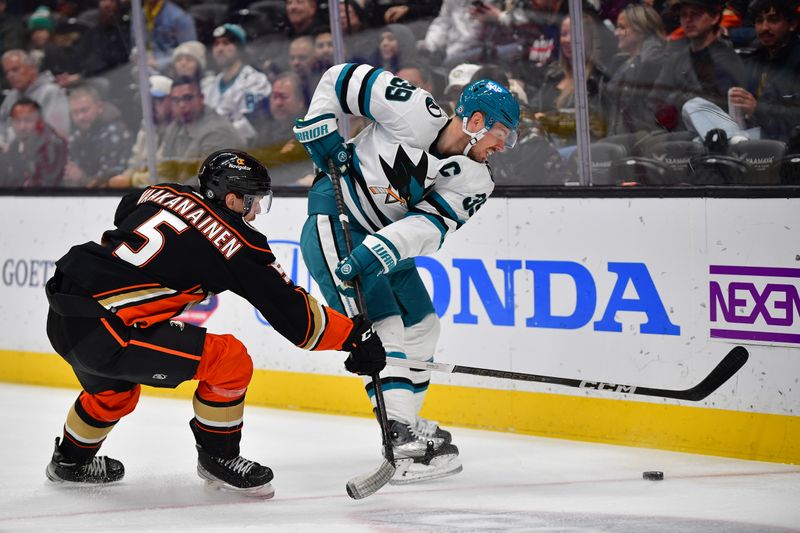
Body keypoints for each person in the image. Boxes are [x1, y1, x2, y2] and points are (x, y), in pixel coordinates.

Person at [44, 149, 386, 496]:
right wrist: (354, 337)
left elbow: (128, 207)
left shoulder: (163, 191)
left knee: (113, 392)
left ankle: (70, 462)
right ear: (233, 199)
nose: (256, 212)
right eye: (254, 201)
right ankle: (218, 457)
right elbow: (299, 320)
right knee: (229, 360)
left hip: (63, 310)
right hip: (107, 331)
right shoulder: (236, 245)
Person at [293, 63, 520, 484]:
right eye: (500, 135)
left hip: (382, 243)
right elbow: (341, 78)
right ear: (475, 122)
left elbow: (431, 226)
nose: (502, 147)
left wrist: (379, 250)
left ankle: (404, 424)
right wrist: (320, 124)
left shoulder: (477, 182)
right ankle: (398, 439)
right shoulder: (413, 109)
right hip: (334, 222)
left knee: (424, 325)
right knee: (385, 327)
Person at [647, 0, 746, 133]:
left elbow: (714, 108)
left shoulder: (726, 59)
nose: (688, 20)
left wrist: (673, 101)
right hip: (676, 137)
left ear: (715, 17)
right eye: (683, 15)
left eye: (696, 14)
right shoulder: (677, 59)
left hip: (715, 140)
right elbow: (655, 100)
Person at [728, 0, 800, 143]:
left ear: (792, 24)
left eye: (773, 20)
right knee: (695, 105)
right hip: (751, 134)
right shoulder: (753, 60)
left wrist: (758, 109)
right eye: (759, 21)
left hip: (786, 144)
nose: (764, 28)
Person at [158, 76, 245, 183]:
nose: (182, 105)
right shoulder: (175, 127)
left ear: (201, 98)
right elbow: (164, 171)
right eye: (176, 100)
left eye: (188, 98)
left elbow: (207, 181)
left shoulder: (217, 131)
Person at [602, 3, 667, 135]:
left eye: (622, 27)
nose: (616, 33)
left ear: (642, 29)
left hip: (645, 143)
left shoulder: (654, 62)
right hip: (620, 140)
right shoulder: (622, 62)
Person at [203, 24, 271, 146]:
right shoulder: (209, 85)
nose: (220, 49)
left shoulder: (255, 81)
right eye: (216, 44)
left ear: (239, 48)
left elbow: (252, 125)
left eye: (226, 43)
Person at [108, 74, 173, 188]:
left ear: (172, 100)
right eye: (147, 102)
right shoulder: (146, 125)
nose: (151, 107)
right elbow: (135, 162)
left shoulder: (178, 130)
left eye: (157, 101)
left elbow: (166, 174)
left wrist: (130, 180)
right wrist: (122, 178)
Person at [64, 83, 133, 187]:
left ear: (99, 107)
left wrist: (82, 178)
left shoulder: (115, 134)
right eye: (75, 113)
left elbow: (110, 182)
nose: (80, 117)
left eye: (84, 110)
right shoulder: (77, 135)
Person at [0, 49, 70, 145]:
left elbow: (55, 131)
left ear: (32, 68)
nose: (10, 75)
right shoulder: (10, 97)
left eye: (15, 69)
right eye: (7, 72)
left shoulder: (51, 92)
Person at [0, 97, 67, 187]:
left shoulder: (54, 147)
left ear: (40, 123)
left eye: (28, 121)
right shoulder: (13, 148)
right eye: (17, 121)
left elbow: (48, 187)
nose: (22, 127)